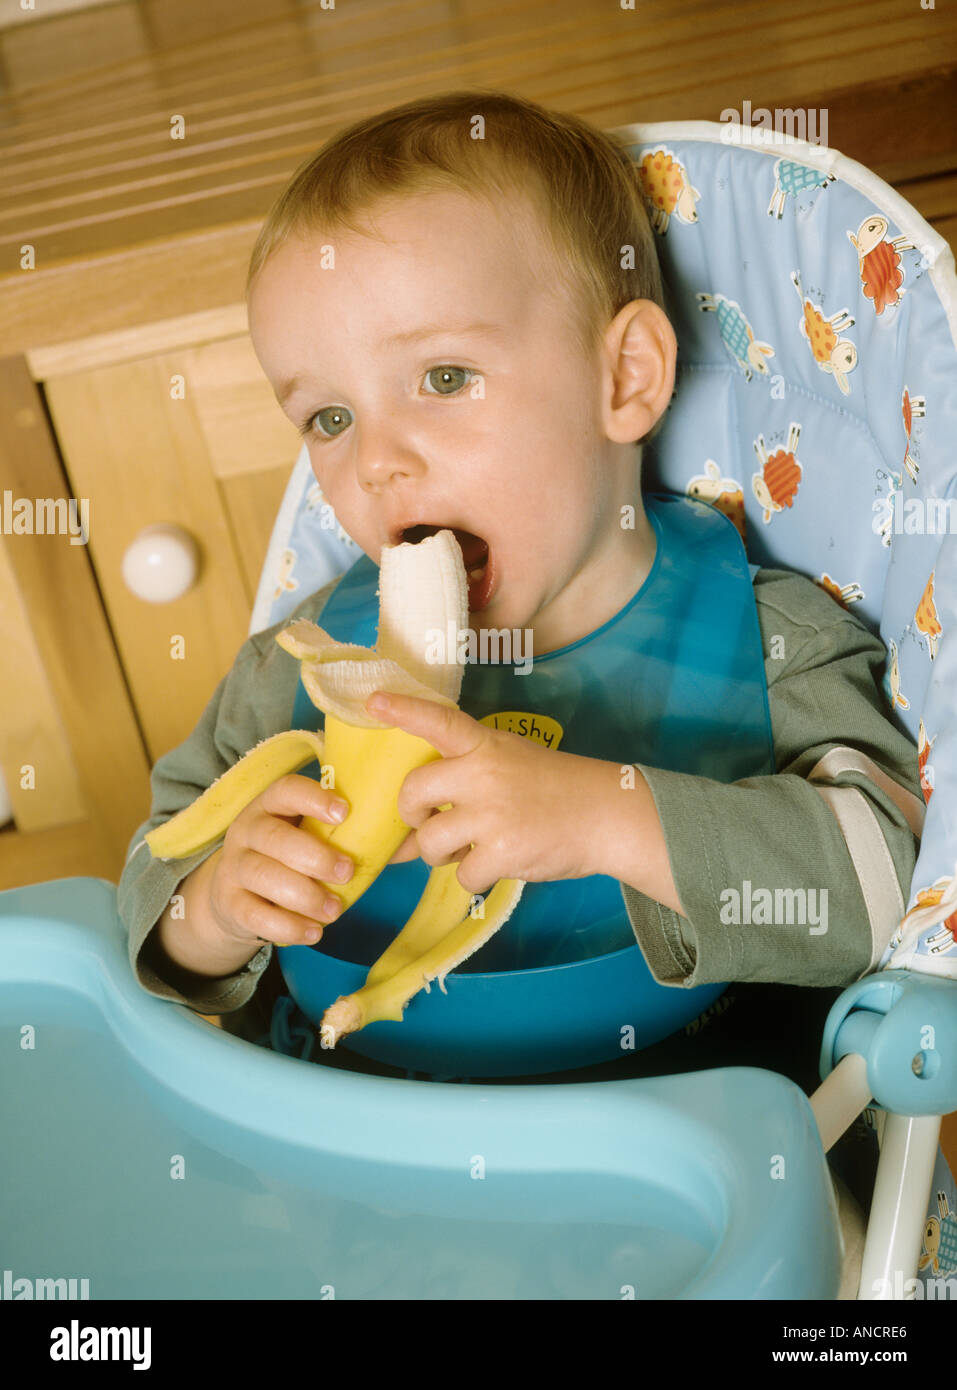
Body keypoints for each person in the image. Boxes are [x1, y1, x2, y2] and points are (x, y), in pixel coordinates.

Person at [118, 95, 921, 1208]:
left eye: (443, 379)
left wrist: (603, 814)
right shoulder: (303, 667)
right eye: (328, 417)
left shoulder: (767, 638)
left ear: (625, 379)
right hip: (359, 1174)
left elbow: (886, 888)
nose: (377, 465)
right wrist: (208, 911)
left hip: (689, 1181)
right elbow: (155, 871)